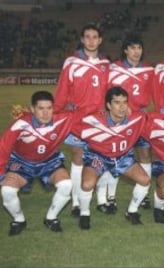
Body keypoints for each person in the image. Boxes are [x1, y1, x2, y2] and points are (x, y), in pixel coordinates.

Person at [0, 91, 95, 236]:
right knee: (7, 191)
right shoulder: (21, 124)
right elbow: (3, 147)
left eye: (49, 108)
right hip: (22, 162)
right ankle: (19, 220)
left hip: (50, 161)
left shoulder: (63, 119)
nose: (45, 113)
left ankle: (51, 218)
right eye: (40, 108)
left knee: (66, 185)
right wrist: (1, 173)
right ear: (32, 109)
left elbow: (88, 110)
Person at [71, 87, 150, 229]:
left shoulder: (137, 118)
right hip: (98, 157)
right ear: (108, 105)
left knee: (145, 180)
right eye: (117, 103)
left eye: (125, 102)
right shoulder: (93, 120)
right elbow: (68, 122)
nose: (122, 107)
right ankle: (84, 213)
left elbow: (157, 120)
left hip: (123, 157)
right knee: (87, 184)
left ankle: (131, 211)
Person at [53, 23, 110, 217]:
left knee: (102, 159)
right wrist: (54, 113)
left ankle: (102, 199)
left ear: (100, 40)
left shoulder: (105, 64)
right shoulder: (72, 62)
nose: (91, 40)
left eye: (95, 37)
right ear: (82, 39)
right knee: (77, 159)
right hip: (78, 118)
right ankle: (76, 201)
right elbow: (61, 91)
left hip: (100, 120)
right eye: (87, 37)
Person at [107, 33, 154, 211]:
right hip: (120, 119)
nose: (136, 52)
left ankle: (144, 194)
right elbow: (107, 93)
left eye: (139, 48)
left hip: (140, 118)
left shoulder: (148, 69)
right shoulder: (114, 68)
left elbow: (153, 94)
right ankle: (111, 197)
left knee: (145, 155)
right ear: (126, 50)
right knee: (116, 156)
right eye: (133, 48)